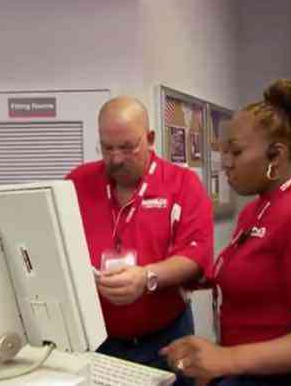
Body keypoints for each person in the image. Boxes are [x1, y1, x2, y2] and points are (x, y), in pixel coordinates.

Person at [161, 79, 291, 386]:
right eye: (224, 152)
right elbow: (259, 278)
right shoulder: (255, 210)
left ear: (276, 155)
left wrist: (226, 359)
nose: (226, 164)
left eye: (235, 152)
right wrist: (188, 275)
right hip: (244, 374)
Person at [65, 96, 213, 385]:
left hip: (166, 338)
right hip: (98, 341)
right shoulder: (78, 182)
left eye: (127, 147)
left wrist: (146, 277)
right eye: (107, 148)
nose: (116, 158)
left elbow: (196, 257)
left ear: (150, 138)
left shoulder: (182, 184)